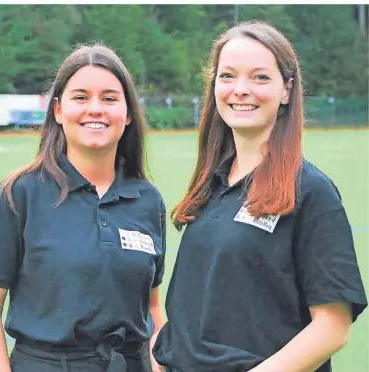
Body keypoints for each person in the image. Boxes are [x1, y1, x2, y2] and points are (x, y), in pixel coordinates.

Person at [152, 21, 367, 372]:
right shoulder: (212, 184)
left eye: (260, 77)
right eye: (227, 76)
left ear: (287, 90)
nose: (240, 89)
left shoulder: (312, 191)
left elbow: (332, 326)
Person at [0, 44, 166, 372]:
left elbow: (152, 308)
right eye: (81, 97)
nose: (95, 109)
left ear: (127, 114)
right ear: (58, 110)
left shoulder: (148, 200)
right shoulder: (18, 194)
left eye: (110, 98)